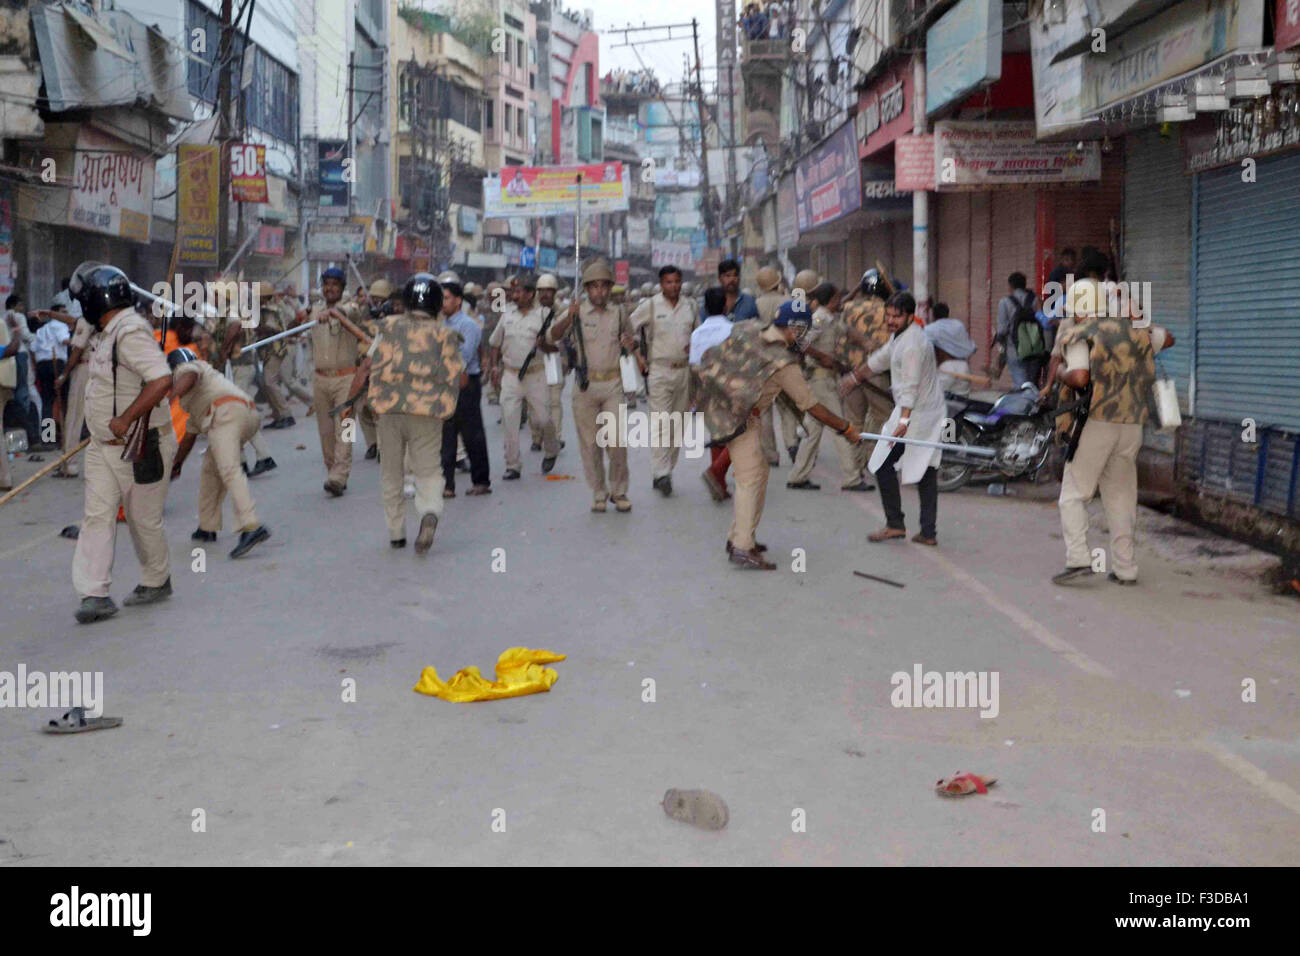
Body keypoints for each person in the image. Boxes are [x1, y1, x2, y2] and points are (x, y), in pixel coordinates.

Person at [695, 299, 862, 568]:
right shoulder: (783, 363)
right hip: (741, 419)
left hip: (720, 408)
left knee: (759, 473)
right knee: (750, 479)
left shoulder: (749, 328)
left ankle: (739, 536)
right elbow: (811, 406)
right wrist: (846, 428)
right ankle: (742, 547)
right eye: (803, 331)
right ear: (794, 329)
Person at [70, 265, 177, 624]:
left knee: (142, 520)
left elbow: (161, 380)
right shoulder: (108, 330)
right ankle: (94, 592)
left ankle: (156, 579)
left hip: (139, 444)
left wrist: (126, 417)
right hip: (103, 445)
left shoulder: (129, 332)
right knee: (97, 515)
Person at [1051, 282, 1173, 586]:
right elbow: (1168, 338)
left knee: (1074, 493)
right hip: (1132, 426)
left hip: (1097, 422)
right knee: (1120, 496)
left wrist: (1059, 373)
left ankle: (1078, 558)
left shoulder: (1082, 334)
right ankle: (1125, 568)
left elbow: (1079, 377)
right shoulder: (1136, 331)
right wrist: (1133, 310)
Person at [345, 274, 465, 553]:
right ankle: (429, 512)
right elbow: (458, 379)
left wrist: (349, 405)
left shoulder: (387, 328)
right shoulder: (444, 335)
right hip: (427, 414)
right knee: (428, 471)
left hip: (389, 413)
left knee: (391, 474)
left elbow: (365, 367)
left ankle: (397, 533)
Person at [845, 291, 944, 547]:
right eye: (888, 315)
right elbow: (880, 359)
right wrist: (855, 378)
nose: (890, 320)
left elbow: (910, 387)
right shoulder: (901, 336)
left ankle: (901, 526)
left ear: (910, 316)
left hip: (918, 414)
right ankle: (918, 529)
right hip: (911, 411)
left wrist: (903, 422)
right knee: (916, 468)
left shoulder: (913, 343)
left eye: (896, 316)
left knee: (899, 465)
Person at [548, 258, 637, 513]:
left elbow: (632, 342)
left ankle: (619, 491)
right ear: (586, 289)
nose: (600, 291)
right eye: (594, 286)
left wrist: (630, 344)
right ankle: (599, 492)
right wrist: (568, 318)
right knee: (590, 444)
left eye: (604, 286)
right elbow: (553, 336)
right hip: (585, 386)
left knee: (617, 441)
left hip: (612, 384)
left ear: (610, 288)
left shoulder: (619, 312)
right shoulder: (575, 311)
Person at [167, 347, 271, 558]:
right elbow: (189, 436)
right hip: (245, 414)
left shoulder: (188, 369)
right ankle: (207, 526)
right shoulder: (204, 390)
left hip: (225, 415)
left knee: (229, 470)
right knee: (210, 469)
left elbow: (189, 374)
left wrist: (166, 397)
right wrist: (176, 465)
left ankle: (250, 526)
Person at [289, 266, 370, 496]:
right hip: (321, 380)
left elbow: (347, 313)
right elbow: (293, 331)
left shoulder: (351, 307)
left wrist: (332, 314)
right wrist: (298, 319)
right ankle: (333, 472)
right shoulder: (314, 310)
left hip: (347, 378)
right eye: (326, 284)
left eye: (335, 284)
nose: (330, 288)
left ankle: (340, 474)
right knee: (325, 433)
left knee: (345, 428)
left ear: (342, 287)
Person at [786, 283, 869, 492]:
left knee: (812, 431)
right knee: (841, 426)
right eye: (837, 298)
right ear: (831, 300)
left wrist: (856, 288)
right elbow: (800, 342)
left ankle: (797, 476)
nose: (841, 301)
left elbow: (845, 327)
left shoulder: (829, 318)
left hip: (822, 381)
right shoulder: (819, 319)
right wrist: (822, 356)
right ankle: (852, 477)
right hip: (821, 381)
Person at [630, 265, 697, 496]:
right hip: (659, 370)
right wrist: (638, 357)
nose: (673, 286)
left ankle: (667, 469)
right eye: (668, 282)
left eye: (677, 281)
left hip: (684, 371)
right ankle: (661, 474)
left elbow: (698, 334)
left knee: (678, 426)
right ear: (661, 284)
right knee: (660, 423)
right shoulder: (649, 306)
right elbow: (627, 330)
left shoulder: (690, 306)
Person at [488, 273, 559, 479]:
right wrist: (494, 367)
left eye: (519, 292)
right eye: (513, 292)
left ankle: (551, 448)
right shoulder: (507, 315)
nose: (514, 296)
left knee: (543, 419)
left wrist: (543, 345)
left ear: (530, 294)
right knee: (509, 419)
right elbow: (495, 343)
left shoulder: (545, 315)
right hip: (510, 375)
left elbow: (555, 348)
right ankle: (513, 464)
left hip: (536, 374)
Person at [212, 280, 277, 477]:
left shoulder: (231, 311)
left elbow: (235, 327)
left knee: (237, 415)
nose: (213, 298)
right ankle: (242, 461)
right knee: (235, 416)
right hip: (239, 367)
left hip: (240, 367)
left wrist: (223, 351)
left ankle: (262, 456)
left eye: (217, 295)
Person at [439, 278, 491, 497]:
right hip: (444, 384)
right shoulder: (441, 324)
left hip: (466, 382)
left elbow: (465, 356)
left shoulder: (468, 325)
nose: (443, 302)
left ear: (458, 301)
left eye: (447, 298)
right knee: (446, 435)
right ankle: (447, 484)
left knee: (472, 435)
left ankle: (481, 481)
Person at [692, 285, 737, 502]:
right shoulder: (733, 330)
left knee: (716, 437)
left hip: (706, 389)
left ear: (705, 308)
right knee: (738, 437)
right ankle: (716, 472)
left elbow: (694, 366)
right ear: (726, 305)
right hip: (730, 389)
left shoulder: (697, 333)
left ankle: (719, 485)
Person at [52, 302, 102, 477]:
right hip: (99, 369)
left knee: (73, 417)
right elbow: (72, 320)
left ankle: (69, 463)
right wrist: (50, 314)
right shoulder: (101, 318)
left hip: (82, 369)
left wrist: (63, 375)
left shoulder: (85, 320)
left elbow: (77, 350)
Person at [753, 266, 791, 467]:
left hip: (763, 363)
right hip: (786, 360)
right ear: (778, 282)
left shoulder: (755, 304)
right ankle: (792, 443)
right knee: (790, 408)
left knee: (765, 410)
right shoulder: (790, 302)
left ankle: (770, 454)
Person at [532, 273, 568, 455]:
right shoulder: (531, 311)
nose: (545, 294)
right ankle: (537, 437)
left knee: (554, 401)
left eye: (548, 290)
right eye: (542, 291)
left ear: (554, 292)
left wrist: (566, 360)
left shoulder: (563, 311)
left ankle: (557, 437)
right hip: (535, 360)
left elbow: (567, 337)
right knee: (536, 402)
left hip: (553, 358)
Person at [996, 272, 1045, 388]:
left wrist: (1001, 352)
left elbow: (1002, 331)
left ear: (1010, 286)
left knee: (1020, 386)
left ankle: (1024, 404)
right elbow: (1042, 321)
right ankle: (1034, 404)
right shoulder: (1036, 300)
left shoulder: (1005, 303)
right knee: (1032, 385)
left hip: (1014, 350)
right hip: (1035, 349)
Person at [924, 308, 979, 398]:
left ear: (933, 315)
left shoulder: (930, 329)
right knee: (961, 397)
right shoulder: (958, 325)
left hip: (946, 368)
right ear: (948, 313)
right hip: (963, 365)